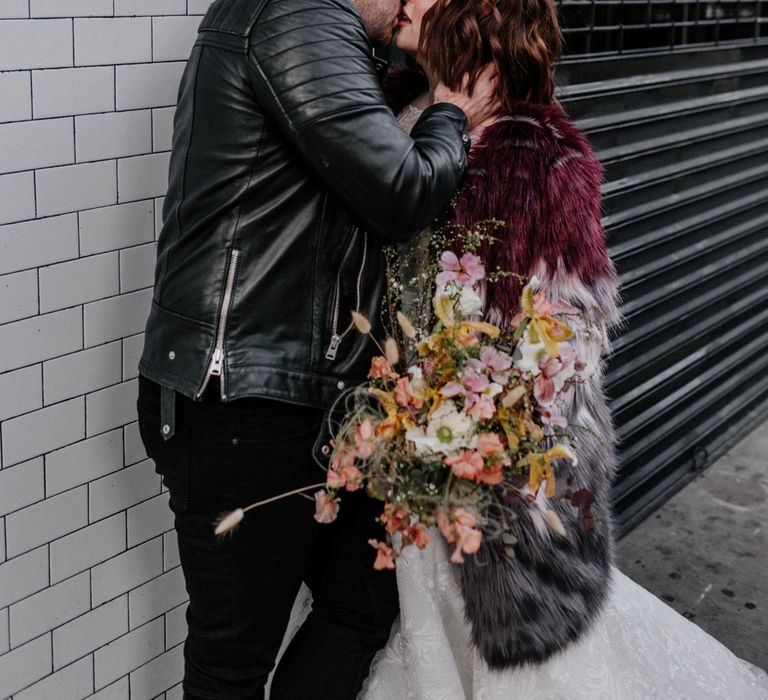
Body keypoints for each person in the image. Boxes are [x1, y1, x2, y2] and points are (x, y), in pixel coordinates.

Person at [281, 0, 768, 697]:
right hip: (385, 428)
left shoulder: (543, 155)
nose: (407, 1)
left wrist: (486, 404)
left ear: (476, 21)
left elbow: (577, 323)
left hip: (477, 451)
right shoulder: (386, 110)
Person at [135, 0, 502, 697]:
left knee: (361, 602)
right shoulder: (295, 17)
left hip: (309, 396)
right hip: (244, 399)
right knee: (233, 662)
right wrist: (451, 108)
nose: (410, 3)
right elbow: (401, 191)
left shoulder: (318, 29)